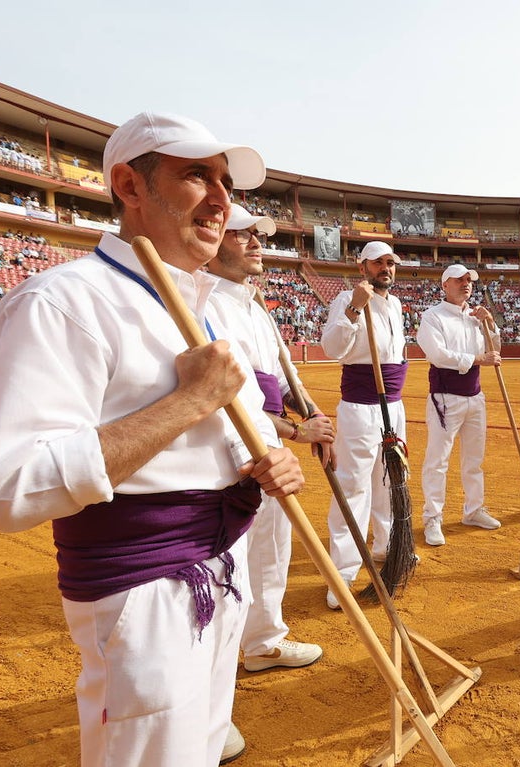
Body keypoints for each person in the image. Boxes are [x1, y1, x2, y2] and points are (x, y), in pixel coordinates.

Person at [0, 111, 303, 766]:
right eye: (196, 174)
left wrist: (267, 453)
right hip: (141, 595)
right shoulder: (62, 302)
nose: (222, 197)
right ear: (129, 184)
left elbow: (245, 422)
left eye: (226, 180)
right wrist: (188, 402)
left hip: (223, 568)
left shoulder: (202, 306)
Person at [206, 203, 333, 670]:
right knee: (230, 558)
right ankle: (214, 676)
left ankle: (263, 640)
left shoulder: (253, 305)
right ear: (215, 241)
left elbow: (282, 379)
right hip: (231, 448)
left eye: (257, 235)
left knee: (274, 544)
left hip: (270, 443)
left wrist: (315, 416)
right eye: (242, 235)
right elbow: (234, 397)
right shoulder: (208, 304)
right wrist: (299, 431)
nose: (256, 243)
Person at [319, 240, 408, 608]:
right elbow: (332, 348)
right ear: (362, 268)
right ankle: (342, 572)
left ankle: (387, 545)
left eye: (390, 263)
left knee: (390, 479)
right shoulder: (345, 300)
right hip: (360, 405)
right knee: (354, 486)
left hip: (394, 404)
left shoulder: (397, 304)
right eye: (377, 263)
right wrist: (356, 307)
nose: (385, 269)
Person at [416, 264, 502, 546]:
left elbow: (495, 349)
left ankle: (474, 510)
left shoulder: (476, 317)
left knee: (474, 459)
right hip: (445, 396)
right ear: (445, 285)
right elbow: (438, 355)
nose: (466, 284)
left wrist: (489, 323)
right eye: (460, 280)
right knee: (438, 460)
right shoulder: (432, 317)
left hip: (474, 396)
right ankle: (433, 517)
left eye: (469, 280)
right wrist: (479, 360)